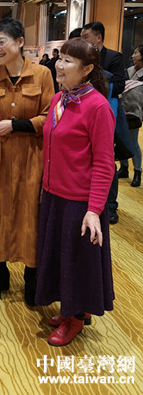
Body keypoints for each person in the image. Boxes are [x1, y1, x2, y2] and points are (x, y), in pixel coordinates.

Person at [35, 38, 115, 346]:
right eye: (61, 58)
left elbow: (105, 164)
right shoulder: (59, 99)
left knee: (77, 263)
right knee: (61, 258)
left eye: (68, 60)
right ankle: (70, 309)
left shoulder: (98, 107)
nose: (59, 64)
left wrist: (94, 210)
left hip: (79, 202)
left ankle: (75, 319)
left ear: (87, 69)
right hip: (54, 195)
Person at [0, 18, 54, 306]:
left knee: (30, 215)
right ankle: (0, 275)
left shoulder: (42, 74)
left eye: (3, 42)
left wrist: (16, 125)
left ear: (20, 42)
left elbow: (49, 117)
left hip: (32, 157)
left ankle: (32, 278)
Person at [81, 21, 125, 224]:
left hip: (105, 111)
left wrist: (97, 78)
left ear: (98, 37)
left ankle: (111, 205)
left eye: (86, 36)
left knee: (107, 159)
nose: (83, 40)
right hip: (82, 112)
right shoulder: (82, 55)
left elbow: (120, 85)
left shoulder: (114, 57)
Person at [118, 45, 143, 187]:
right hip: (123, 109)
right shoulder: (129, 70)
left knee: (133, 142)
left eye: (136, 53)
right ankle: (124, 167)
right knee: (121, 140)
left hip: (135, 112)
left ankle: (137, 171)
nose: (133, 55)